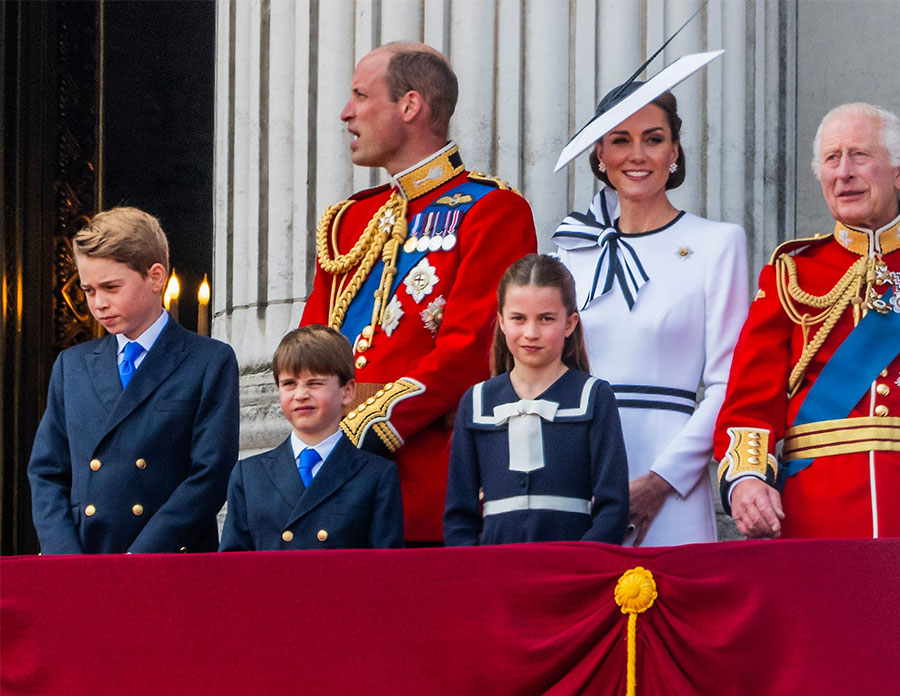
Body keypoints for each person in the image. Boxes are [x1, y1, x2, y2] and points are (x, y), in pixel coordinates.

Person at [714, 103, 900, 539]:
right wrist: (746, 482)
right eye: (832, 159)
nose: (844, 172)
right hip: (813, 520)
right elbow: (748, 406)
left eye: (860, 155)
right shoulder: (790, 274)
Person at [299, 42, 537, 544]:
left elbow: (469, 351)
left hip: (427, 478)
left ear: (409, 106)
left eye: (361, 96)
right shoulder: (349, 222)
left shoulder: (491, 210)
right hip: (331, 478)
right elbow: (310, 348)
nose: (346, 113)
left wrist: (363, 427)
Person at [553, 85, 749, 546]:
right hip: (577, 471)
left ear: (675, 151)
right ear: (599, 154)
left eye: (653, 138)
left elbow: (728, 384)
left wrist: (661, 480)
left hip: (671, 480)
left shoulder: (718, 243)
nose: (637, 154)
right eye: (620, 140)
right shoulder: (570, 250)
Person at [27, 207, 239, 553]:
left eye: (111, 287)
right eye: (89, 290)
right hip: (84, 559)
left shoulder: (209, 361)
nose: (99, 304)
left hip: (167, 560)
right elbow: (47, 472)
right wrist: (65, 558)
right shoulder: (72, 365)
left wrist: (138, 560)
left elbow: (210, 474)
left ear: (155, 277)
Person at [444, 255, 628, 545]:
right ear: (502, 322)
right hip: (495, 574)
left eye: (546, 319)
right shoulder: (477, 401)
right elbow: (458, 516)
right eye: (519, 318)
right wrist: (475, 572)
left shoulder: (594, 397)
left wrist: (581, 565)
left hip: (571, 572)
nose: (531, 333)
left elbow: (613, 508)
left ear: (569, 323)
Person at [220, 325, 404, 551]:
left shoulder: (376, 476)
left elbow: (386, 573)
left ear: (347, 391)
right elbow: (233, 570)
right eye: (289, 384)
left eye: (315, 383)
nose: (300, 395)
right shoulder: (249, 476)